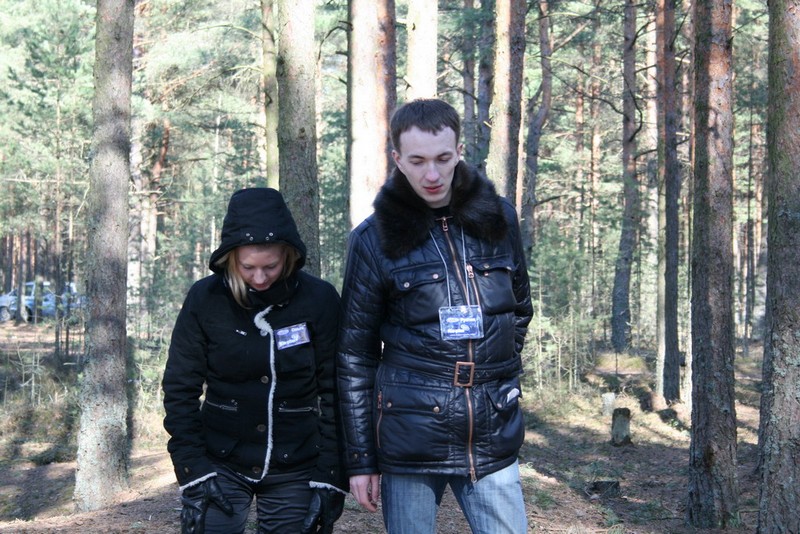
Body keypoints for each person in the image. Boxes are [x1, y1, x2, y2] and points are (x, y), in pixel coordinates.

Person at [337, 98, 533, 534]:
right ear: (397, 160)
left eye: (443, 159)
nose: (432, 174)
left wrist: (494, 374)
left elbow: (519, 310)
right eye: (418, 161)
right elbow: (354, 356)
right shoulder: (372, 240)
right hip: (410, 430)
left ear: (459, 151)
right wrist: (361, 460)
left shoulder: (500, 218)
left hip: (491, 429)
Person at [163, 188, 347, 534]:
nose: (260, 278)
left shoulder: (319, 299)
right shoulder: (205, 299)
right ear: (230, 259)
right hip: (220, 460)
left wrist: (331, 475)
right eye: (248, 267)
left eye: (271, 266)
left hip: (296, 461)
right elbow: (179, 388)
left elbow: (336, 390)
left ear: (288, 256)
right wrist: (193, 470)